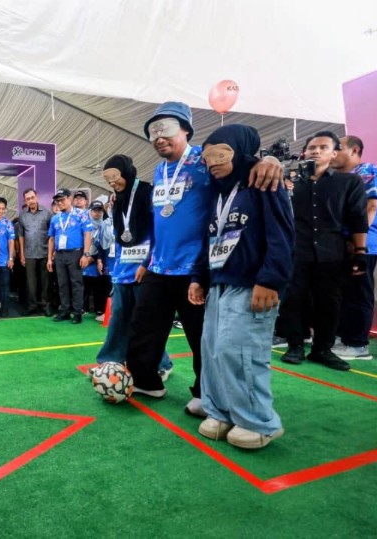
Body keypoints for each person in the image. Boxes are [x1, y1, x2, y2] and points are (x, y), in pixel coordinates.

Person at [125, 101, 282, 417]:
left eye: (167, 129)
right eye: (153, 132)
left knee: (201, 335)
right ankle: (146, 382)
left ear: (186, 129)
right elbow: (161, 220)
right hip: (159, 265)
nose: (159, 137)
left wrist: (270, 159)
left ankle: (204, 392)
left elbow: (243, 164)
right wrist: (147, 259)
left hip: (197, 266)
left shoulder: (205, 157)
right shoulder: (158, 170)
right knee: (143, 328)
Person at [191, 124, 294, 449]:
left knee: (242, 352)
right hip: (219, 284)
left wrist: (270, 280)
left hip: (253, 285)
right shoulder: (218, 193)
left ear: (242, 152)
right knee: (214, 352)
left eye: (221, 154)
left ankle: (258, 422)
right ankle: (221, 412)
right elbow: (210, 238)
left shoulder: (264, 183)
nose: (213, 162)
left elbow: (282, 234)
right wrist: (198, 277)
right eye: (207, 157)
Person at [278, 132, 368, 370]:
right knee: (293, 299)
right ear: (304, 152)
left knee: (330, 302)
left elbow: (358, 219)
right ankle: (295, 345)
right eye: (311, 147)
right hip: (295, 252)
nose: (316, 151)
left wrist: (360, 251)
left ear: (334, 153)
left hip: (332, 254)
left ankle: (322, 349)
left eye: (323, 147)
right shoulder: (289, 184)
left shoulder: (349, 182)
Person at [93, 156, 173, 380]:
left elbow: (159, 230)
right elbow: (120, 235)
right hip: (122, 269)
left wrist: (148, 262)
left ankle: (162, 364)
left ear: (126, 172)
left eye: (115, 176)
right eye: (107, 179)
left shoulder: (148, 193)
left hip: (145, 268)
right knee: (118, 317)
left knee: (146, 321)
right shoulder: (117, 199)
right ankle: (110, 361)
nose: (112, 182)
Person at [331, 135, 377, 360]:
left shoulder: (369, 171)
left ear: (354, 150)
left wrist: (358, 243)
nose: (333, 153)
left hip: (362, 245)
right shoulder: (335, 178)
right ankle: (340, 336)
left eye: (338, 148)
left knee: (359, 293)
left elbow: (371, 206)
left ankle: (358, 344)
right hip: (339, 245)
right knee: (340, 293)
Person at [47, 189, 94, 324]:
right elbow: (51, 239)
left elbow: (87, 234)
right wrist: (49, 258)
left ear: (70, 198)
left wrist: (86, 254)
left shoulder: (81, 214)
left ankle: (77, 312)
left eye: (62, 200)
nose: (59, 203)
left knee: (76, 283)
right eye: (57, 201)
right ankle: (65, 311)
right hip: (60, 255)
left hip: (75, 253)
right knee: (62, 284)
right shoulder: (55, 218)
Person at [19, 188, 53, 316]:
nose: (31, 201)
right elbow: (21, 236)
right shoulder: (22, 215)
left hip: (45, 253)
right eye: (28, 199)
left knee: (45, 282)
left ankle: (45, 306)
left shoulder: (47, 213)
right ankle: (32, 306)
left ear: (37, 197)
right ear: (25, 201)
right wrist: (22, 254)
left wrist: (51, 254)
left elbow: (52, 235)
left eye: (32, 197)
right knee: (31, 283)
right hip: (29, 254)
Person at [82, 200, 112, 316]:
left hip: (98, 258)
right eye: (95, 210)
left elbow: (104, 245)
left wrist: (94, 258)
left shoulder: (105, 225)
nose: (97, 213)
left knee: (99, 285)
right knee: (84, 283)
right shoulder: (84, 224)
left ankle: (99, 309)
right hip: (84, 257)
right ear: (90, 211)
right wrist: (85, 256)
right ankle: (83, 307)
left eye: (100, 211)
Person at [0, 197, 16, 318]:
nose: (0, 211)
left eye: (3, 209)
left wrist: (10, 258)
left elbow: (11, 241)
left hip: (4, 261)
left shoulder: (8, 223)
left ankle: (5, 309)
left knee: (5, 287)